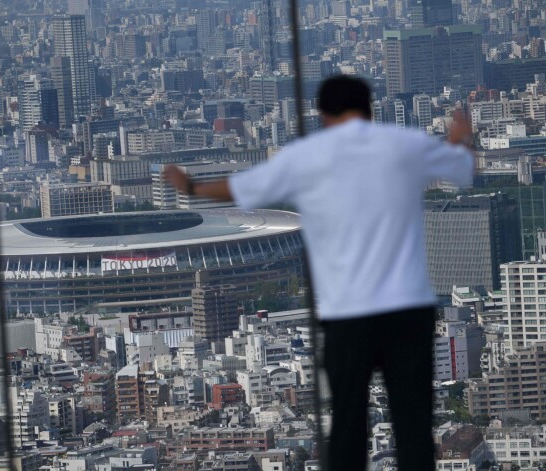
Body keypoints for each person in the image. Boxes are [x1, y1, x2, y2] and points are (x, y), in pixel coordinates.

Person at [164, 75, 474, 471]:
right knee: (413, 422)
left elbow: (241, 189)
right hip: (407, 308)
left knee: (346, 423)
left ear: (323, 114)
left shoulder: (308, 156)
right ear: (369, 108)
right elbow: (463, 167)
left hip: (348, 313)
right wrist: (460, 136)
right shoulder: (403, 144)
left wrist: (190, 187)